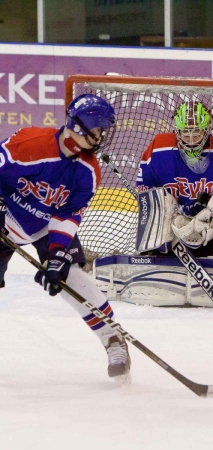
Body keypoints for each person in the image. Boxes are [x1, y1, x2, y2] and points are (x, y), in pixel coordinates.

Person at [0, 94, 131, 380]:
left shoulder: (88, 171)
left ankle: (112, 339)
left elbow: (68, 216)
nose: (102, 137)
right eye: (99, 131)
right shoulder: (29, 144)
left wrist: (57, 255)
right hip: (6, 214)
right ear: (82, 128)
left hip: (45, 225)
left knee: (72, 276)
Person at [136, 99, 213, 258]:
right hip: (169, 227)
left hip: (207, 230)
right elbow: (146, 190)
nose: (192, 140)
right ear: (177, 131)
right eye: (186, 133)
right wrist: (168, 216)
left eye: (197, 133)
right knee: (152, 246)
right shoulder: (159, 148)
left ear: (207, 130)